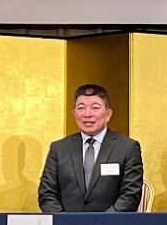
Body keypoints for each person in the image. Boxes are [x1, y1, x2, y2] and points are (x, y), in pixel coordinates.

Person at [38, 84, 143, 212]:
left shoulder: (127, 148)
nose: (87, 114)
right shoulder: (59, 149)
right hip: (66, 223)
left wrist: (102, 222)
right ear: (74, 113)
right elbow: (47, 194)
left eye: (95, 108)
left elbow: (130, 195)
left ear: (108, 114)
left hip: (112, 223)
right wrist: (65, 221)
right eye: (81, 108)